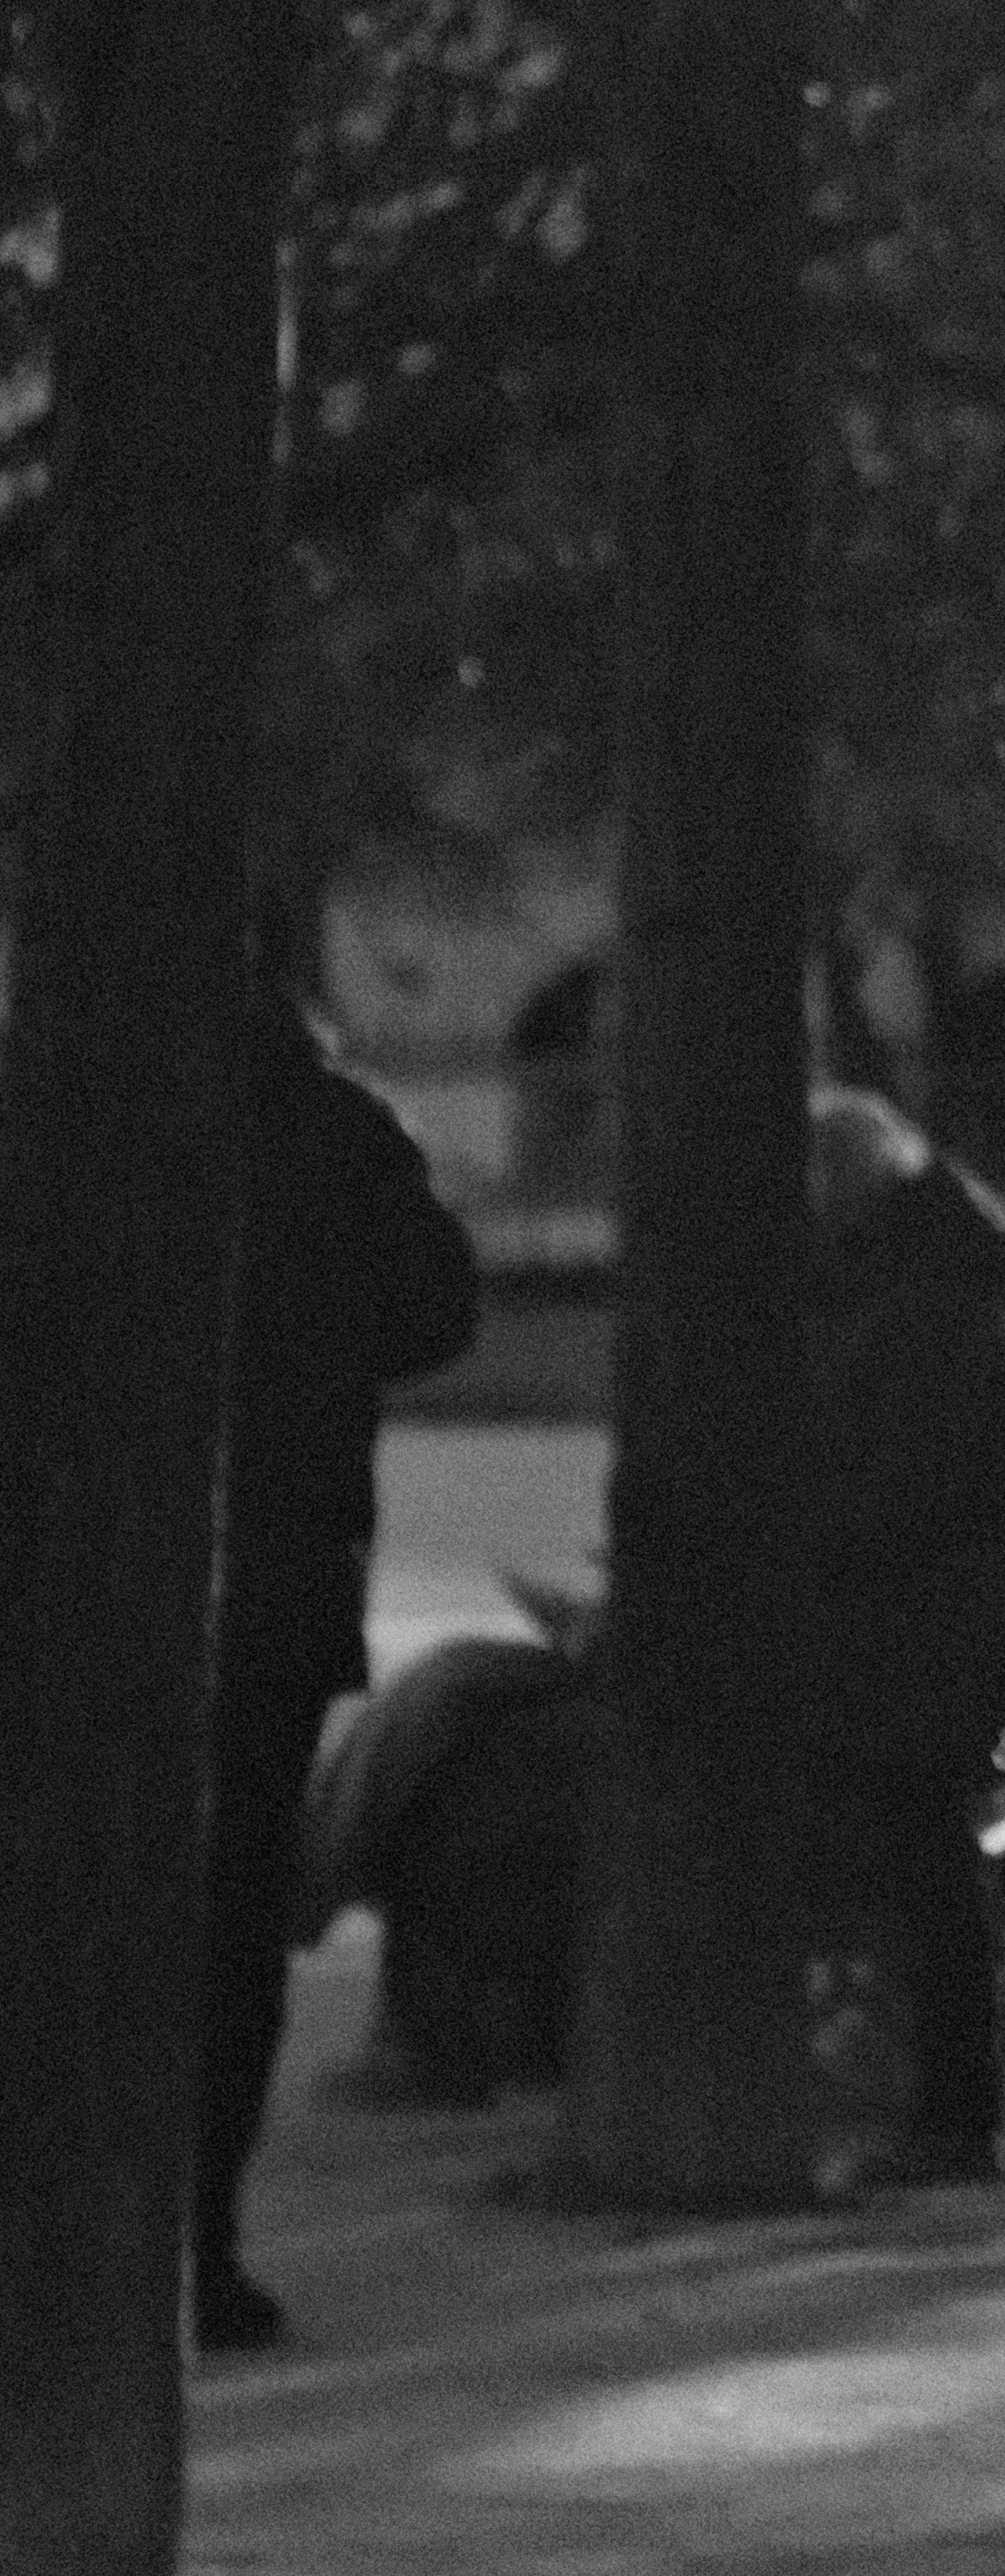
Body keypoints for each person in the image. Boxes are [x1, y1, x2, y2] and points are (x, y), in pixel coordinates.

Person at [194, 946, 486, 2351]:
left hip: (74, 1583)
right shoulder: (340, 1138)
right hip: (277, 1572)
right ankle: (200, 2234)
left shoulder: (58, 1108)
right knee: (233, 1918)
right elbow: (436, 1313)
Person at [803, 1089, 1005, 2183]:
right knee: (924, 1866)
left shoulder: (923, 1306)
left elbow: (901, 1486)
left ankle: (951, 2111)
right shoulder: (943, 1284)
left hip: (916, 1628)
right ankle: (944, 2101)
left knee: (924, 1868)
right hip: (940, 1625)